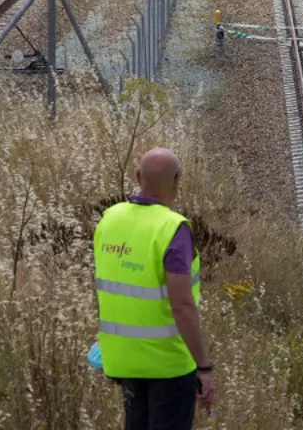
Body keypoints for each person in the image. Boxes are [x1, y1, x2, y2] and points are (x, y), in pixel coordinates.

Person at [93, 148, 216, 430]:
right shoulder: (172, 229)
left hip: (123, 360)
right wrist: (204, 368)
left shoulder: (109, 220)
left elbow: (110, 288)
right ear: (177, 181)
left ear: (137, 176)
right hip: (169, 365)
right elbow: (182, 306)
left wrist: (111, 353)